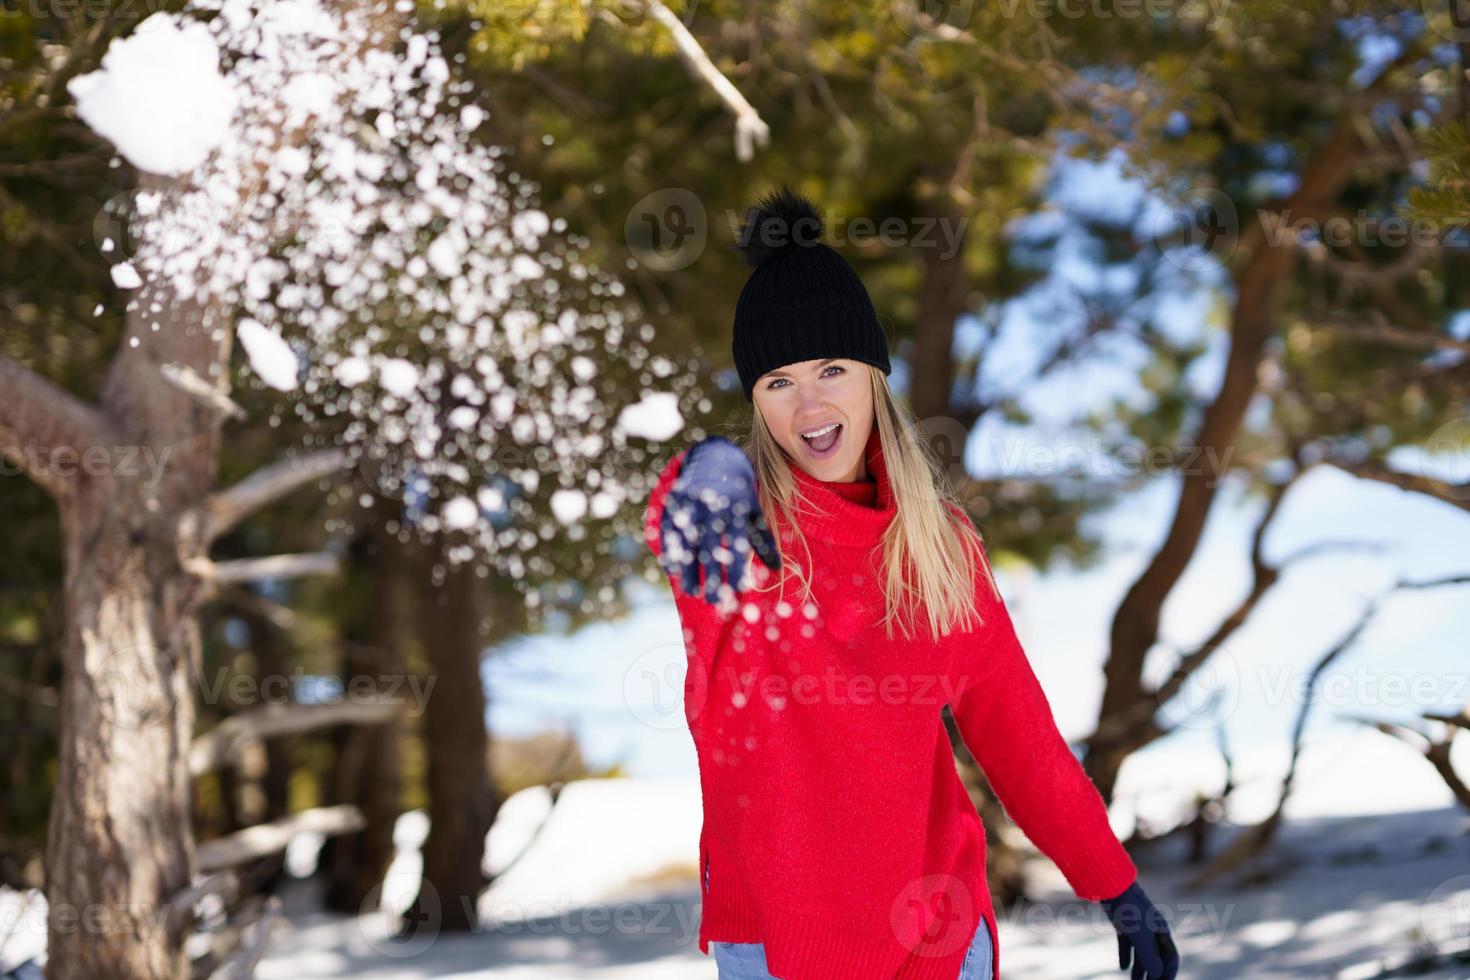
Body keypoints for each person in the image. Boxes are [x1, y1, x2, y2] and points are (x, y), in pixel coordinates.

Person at [643, 185, 1181, 980]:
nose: (812, 402)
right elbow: (686, 531)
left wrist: (1115, 882)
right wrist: (694, 479)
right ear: (756, 402)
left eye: (832, 368)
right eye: (779, 381)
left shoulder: (938, 548)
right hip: (776, 945)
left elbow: (1017, 733)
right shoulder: (744, 539)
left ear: (872, 377)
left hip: (937, 931)